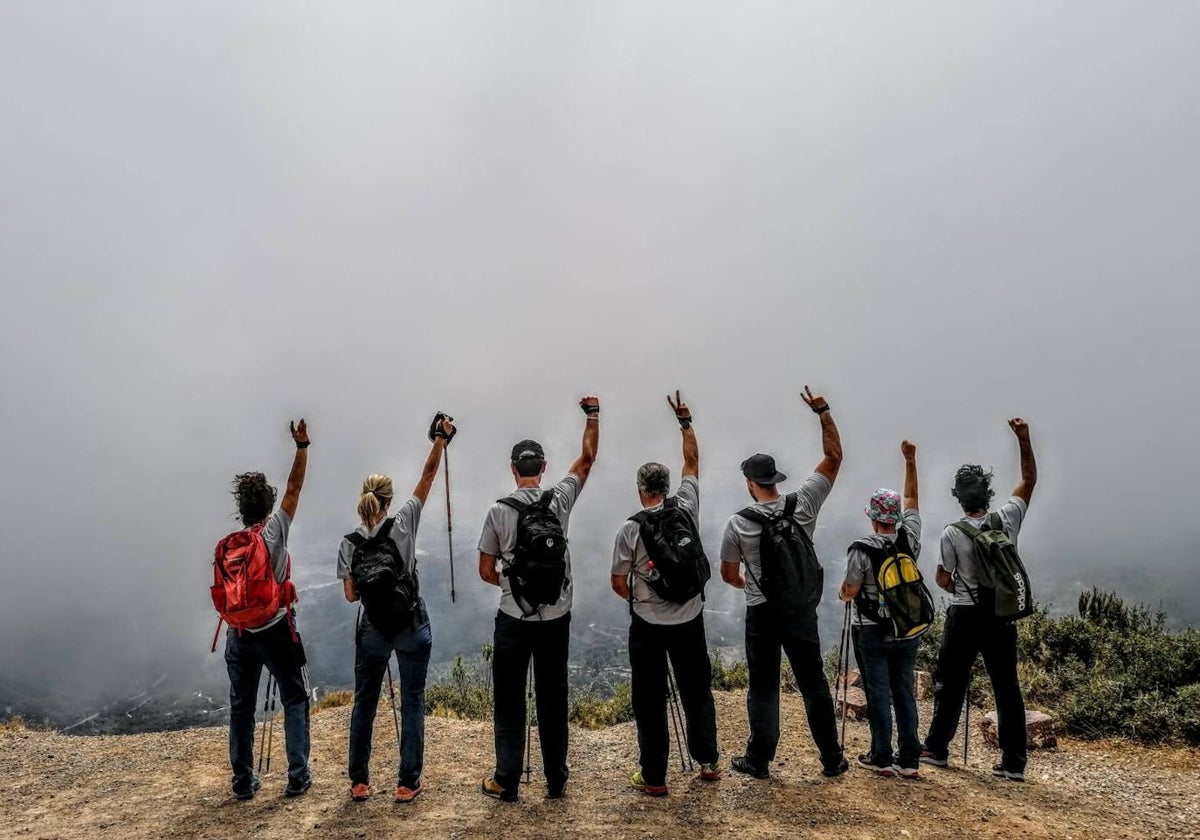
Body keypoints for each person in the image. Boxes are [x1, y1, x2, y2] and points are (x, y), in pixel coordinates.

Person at [719, 387, 847, 780]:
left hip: (763, 612)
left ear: (749, 483)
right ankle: (831, 757)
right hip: (800, 609)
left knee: (763, 687)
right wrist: (823, 412)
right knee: (813, 682)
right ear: (774, 479)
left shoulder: (739, 522)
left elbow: (728, 574)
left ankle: (759, 759)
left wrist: (748, 584)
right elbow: (834, 457)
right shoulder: (803, 503)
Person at [478, 396, 600, 802]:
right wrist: (592, 415)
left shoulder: (499, 511)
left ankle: (506, 779)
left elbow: (484, 570)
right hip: (557, 616)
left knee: (510, 699)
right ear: (544, 469)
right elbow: (586, 459)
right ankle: (556, 778)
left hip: (513, 618)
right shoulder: (560, 500)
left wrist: (515, 587)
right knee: (553, 695)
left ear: (513, 469)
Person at [337, 413, 456, 804]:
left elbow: (351, 596)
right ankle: (407, 783)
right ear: (388, 501)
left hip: (372, 627)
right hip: (410, 623)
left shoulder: (349, 543)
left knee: (364, 702)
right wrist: (440, 439)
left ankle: (359, 782)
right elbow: (427, 477)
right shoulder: (403, 523)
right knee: (413, 699)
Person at [610, 391, 720, 797]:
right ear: (668, 487)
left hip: (649, 625)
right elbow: (693, 462)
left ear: (641, 490)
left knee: (650, 700)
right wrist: (686, 422)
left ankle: (654, 777)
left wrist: (640, 601)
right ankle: (708, 761)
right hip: (691, 617)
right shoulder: (687, 506)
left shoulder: (630, 529)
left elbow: (618, 581)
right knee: (697, 691)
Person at [921, 418, 1037, 782]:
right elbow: (1029, 481)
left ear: (957, 496)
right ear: (987, 493)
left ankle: (938, 749)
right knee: (1007, 686)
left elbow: (943, 578)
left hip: (965, 615)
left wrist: (955, 586)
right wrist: (1023, 437)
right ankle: (1014, 762)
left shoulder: (952, 534)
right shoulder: (1008, 518)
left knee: (951, 681)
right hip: (1002, 615)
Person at [221, 419, 312, 800]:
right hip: (274, 629)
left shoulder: (231, 544)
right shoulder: (274, 531)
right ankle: (297, 775)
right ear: (269, 506)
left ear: (241, 509)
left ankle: (243, 781)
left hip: (238, 632)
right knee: (294, 697)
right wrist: (302, 446)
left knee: (242, 706)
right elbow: (295, 487)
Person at [839, 441, 923, 779]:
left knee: (878, 692)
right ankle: (910, 759)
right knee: (903, 690)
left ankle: (882, 756)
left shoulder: (862, 549)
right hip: (907, 627)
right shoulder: (910, 540)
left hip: (871, 629)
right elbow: (914, 502)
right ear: (896, 518)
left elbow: (850, 590)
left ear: (874, 518)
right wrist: (910, 461)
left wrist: (843, 593)